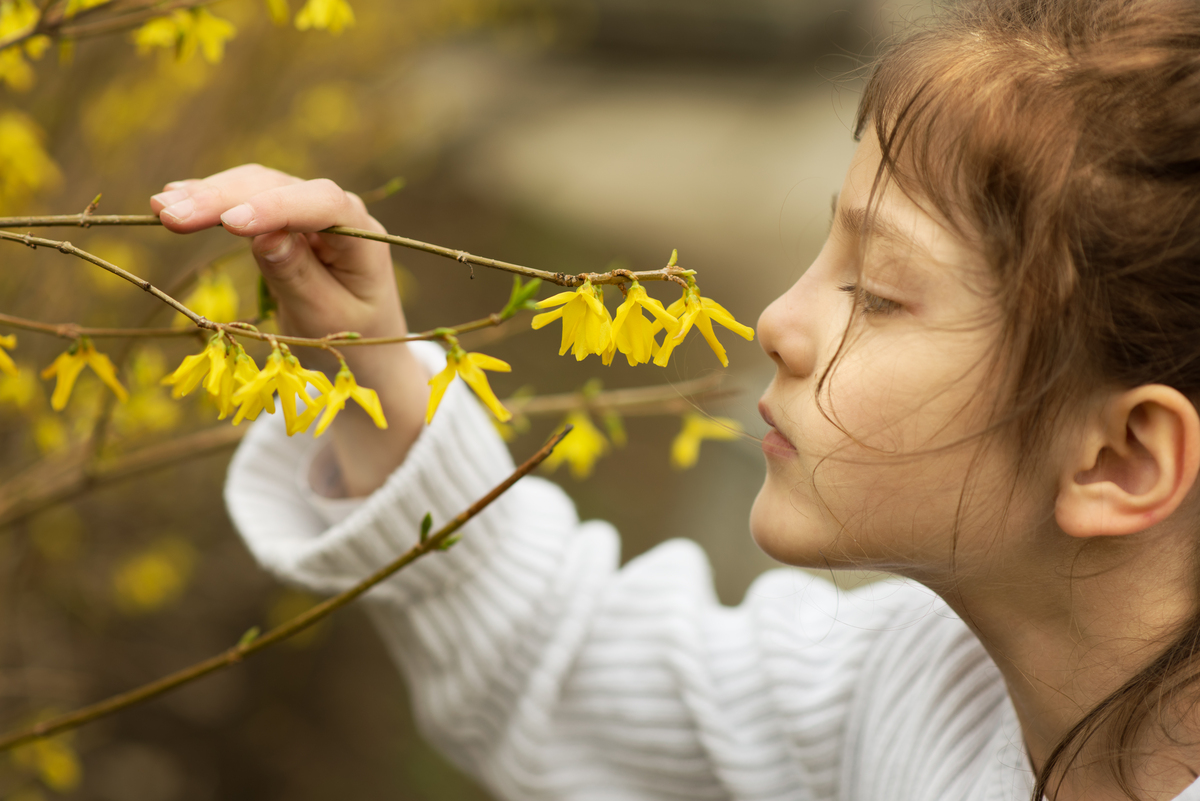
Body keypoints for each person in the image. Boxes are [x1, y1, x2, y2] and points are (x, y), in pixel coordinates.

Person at [148, 0, 1200, 798]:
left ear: (1120, 459)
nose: (775, 322)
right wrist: (367, 358)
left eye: (878, 294)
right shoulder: (917, 683)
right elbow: (568, 670)